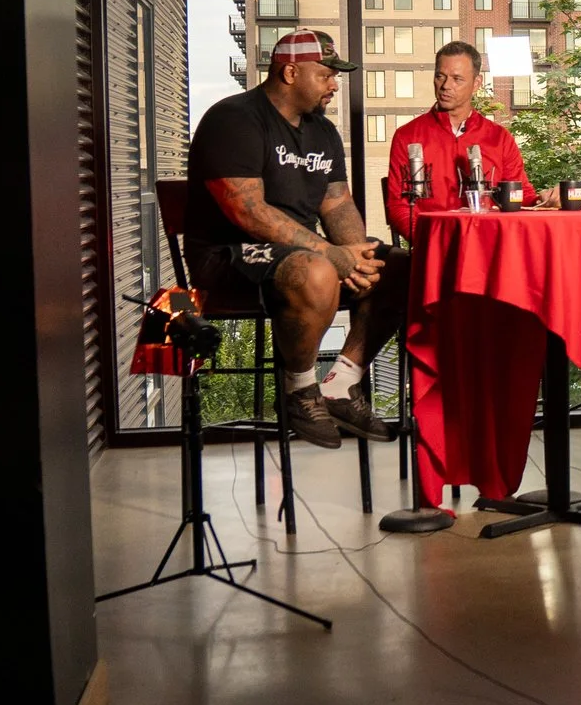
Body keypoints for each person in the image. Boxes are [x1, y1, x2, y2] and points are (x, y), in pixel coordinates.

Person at [183, 30, 400, 448]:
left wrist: (355, 257)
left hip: (299, 255)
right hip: (228, 257)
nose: (334, 84)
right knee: (316, 270)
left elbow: (337, 203)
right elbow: (248, 210)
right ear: (290, 72)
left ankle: (342, 383)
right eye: (325, 75)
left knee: (399, 267)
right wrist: (330, 254)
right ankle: (300, 390)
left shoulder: (323, 131)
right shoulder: (234, 119)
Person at [384, 40, 554, 240]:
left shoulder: (499, 138)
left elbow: (520, 195)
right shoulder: (407, 136)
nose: (446, 86)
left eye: (457, 79)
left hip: (488, 244)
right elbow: (398, 206)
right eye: (440, 76)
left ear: (476, 83)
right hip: (432, 245)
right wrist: (431, 242)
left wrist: (544, 202)